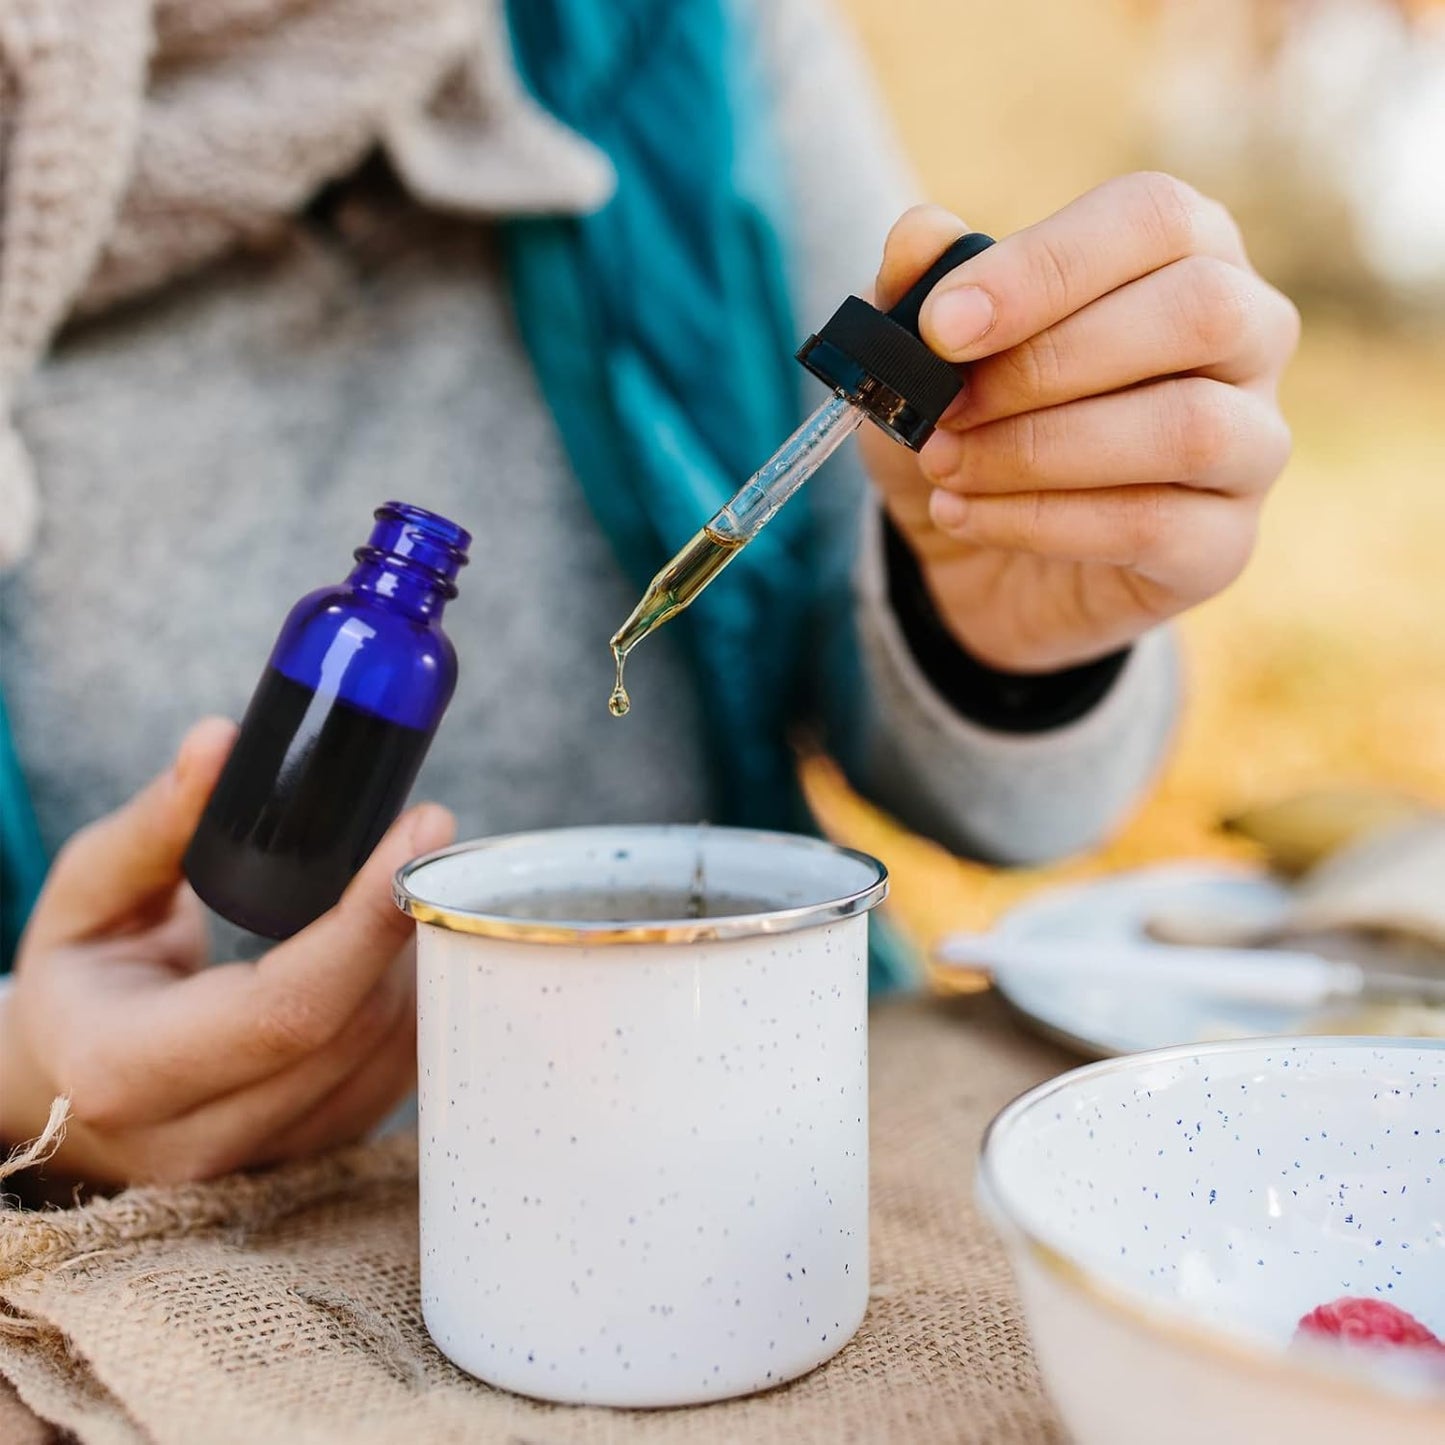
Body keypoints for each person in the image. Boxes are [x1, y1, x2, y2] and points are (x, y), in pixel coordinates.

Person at [0, 0, 1297, 1188]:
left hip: (754, 1152)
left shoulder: (682, 34)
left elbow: (1002, 798)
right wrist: (22, 1085)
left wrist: (1004, 630)